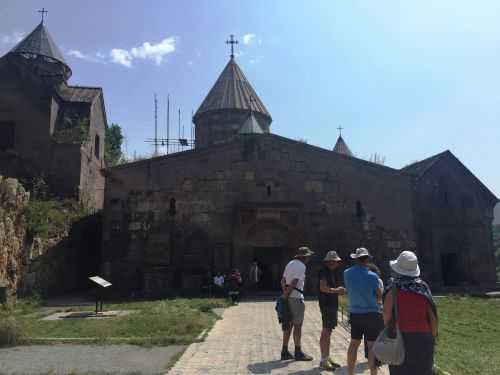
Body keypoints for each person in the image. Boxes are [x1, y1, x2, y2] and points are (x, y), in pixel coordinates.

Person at [383, 251, 438, 375]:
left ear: (398, 270)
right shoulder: (423, 288)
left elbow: (386, 315)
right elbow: (432, 316)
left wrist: (389, 331)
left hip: (400, 337)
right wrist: (432, 338)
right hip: (424, 338)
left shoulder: (393, 289)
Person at [344, 247, 384, 375]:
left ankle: (350, 372)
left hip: (355, 312)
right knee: (372, 345)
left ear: (355, 259)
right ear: (367, 259)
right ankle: (373, 372)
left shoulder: (347, 273)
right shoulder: (373, 276)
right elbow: (379, 295)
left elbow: (349, 289)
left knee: (354, 343)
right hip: (372, 313)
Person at [280, 246, 314, 361]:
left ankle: (284, 350)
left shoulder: (290, 263)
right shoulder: (302, 266)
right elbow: (295, 281)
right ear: (304, 257)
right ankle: (298, 351)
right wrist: (287, 293)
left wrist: (285, 293)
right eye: (308, 256)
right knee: (297, 325)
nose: (309, 259)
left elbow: (283, 280)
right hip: (295, 297)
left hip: (288, 296)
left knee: (287, 324)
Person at [318, 251, 346, 370]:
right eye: (335, 261)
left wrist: (337, 290)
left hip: (331, 304)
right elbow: (323, 288)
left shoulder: (330, 272)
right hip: (327, 304)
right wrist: (337, 290)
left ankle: (327, 356)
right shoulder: (324, 272)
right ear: (330, 262)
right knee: (326, 331)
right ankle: (324, 359)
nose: (337, 263)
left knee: (328, 331)